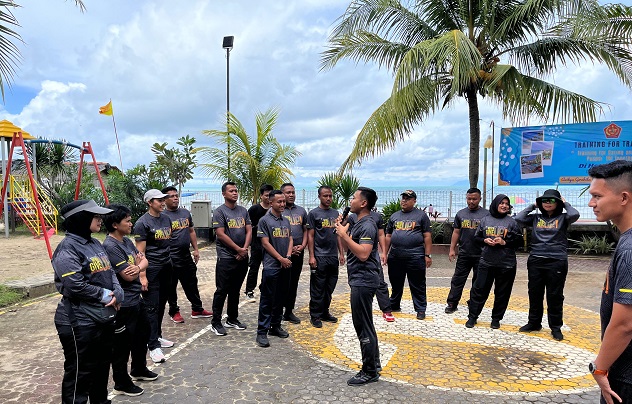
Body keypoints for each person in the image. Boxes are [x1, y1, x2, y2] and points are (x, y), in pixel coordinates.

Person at [52, 199, 123, 404]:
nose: (100, 219)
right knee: (80, 371)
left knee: (102, 366)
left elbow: (110, 271)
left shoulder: (94, 243)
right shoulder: (67, 248)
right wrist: (107, 296)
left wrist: (118, 292)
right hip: (78, 320)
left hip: (102, 317)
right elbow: (74, 284)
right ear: (80, 218)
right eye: (95, 216)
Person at [587, 160, 632, 404]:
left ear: (623, 198)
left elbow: (625, 322)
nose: (591, 203)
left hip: (625, 377)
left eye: (596, 196)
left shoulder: (630, 250)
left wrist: (600, 368)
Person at [103, 204, 157, 397]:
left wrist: (139, 266)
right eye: (127, 220)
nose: (130, 223)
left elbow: (144, 260)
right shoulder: (110, 246)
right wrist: (138, 266)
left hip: (137, 299)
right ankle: (121, 382)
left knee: (143, 335)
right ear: (116, 224)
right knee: (121, 345)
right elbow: (127, 275)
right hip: (123, 304)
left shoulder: (126, 241)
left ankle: (139, 369)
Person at [515, 189, 580, 341]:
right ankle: (534, 323)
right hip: (536, 260)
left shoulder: (564, 217)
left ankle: (556, 327)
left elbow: (574, 214)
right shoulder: (535, 218)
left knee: (555, 296)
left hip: (557, 261)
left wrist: (565, 203)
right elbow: (518, 218)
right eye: (544, 200)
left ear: (557, 202)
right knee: (535, 293)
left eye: (551, 200)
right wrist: (532, 205)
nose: (548, 203)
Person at [335, 187, 381, 386]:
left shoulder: (368, 225)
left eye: (354, 198)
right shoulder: (357, 222)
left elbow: (363, 253)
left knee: (362, 325)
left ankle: (369, 371)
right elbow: (349, 248)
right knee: (366, 324)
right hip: (358, 279)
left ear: (363, 203)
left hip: (364, 280)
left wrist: (345, 236)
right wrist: (341, 231)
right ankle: (374, 364)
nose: (350, 201)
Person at [466, 194, 522, 329]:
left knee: (502, 293)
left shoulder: (512, 222)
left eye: (507, 204)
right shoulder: (485, 220)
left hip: (506, 264)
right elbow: (477, 237)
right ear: (495, 204)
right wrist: (485, 240)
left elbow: (519, 242)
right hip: (486, 262)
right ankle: (473, 316)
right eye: (501, 203)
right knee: (479, 290)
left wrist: (505, 242)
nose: (504, 206)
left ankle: (496, 318)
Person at [133, 189, 175, 364]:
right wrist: (142, 275)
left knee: (162, 303)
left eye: (163, 199)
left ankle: (157, 336)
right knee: (151, 307)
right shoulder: (142, 223)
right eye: (159, 200)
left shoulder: (166, 219)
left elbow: (168, 242)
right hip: (151, 269)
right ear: (150, 202)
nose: (163, 202)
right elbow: (140, 252)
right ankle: (152, 346)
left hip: (167, 266)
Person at [162, 186, 212, 323]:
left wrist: (196, 249)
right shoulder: (162, 217)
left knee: (191, 283)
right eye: (171, 196)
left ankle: (197, 309)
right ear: (164, 200)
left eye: (176, 195)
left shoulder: (185, 213)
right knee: (171, 285)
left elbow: (191, 231)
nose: (175, 198)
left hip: (186, 256)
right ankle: (174, 311)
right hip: (171, 257)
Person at [211, 181, 252, 336]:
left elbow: (249, 230)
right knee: (222, 290)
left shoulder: (243, 211)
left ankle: (232, 318)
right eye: (231, 191)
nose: (235, 193)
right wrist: (238, 249)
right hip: (226, 257)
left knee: (235, 289)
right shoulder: (220, 212)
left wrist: (244, 249)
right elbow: (220, 234)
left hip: (242, 257)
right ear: (224, 194)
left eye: (236, 190)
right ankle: (216, 322)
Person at [384, 190, 432, 320]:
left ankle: (420, 309)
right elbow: (388, 236)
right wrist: (384, 253)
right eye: (403, 198)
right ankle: (394, 304)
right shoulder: (394, 216)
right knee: (395, 283)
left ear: (414, 201)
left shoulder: (421, 216)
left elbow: (427, 236)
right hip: (395, 256)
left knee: (417, 284)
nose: (404, 201)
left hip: (415, 256)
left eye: (407, 198)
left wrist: (428, 255)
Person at [256, 190, 293, 348]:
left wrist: (289, 256)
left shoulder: (286, 221)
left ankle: (275, 326)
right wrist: (280, 258)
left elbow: (290, 238)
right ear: (271, 203)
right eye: (279, 202)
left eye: (284, 201)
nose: (283, 204)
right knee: (267, 299)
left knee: (280, 297)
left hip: (286, 264)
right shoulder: (264, 221)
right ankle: (262, 332)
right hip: (272, 266)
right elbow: (265, 243)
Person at [445, 188, 488, 314]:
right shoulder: (461, 214)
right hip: (464, 253)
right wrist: (452, 249)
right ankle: (452, 303)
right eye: (469, 199)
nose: (471, 201)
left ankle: (473, 303)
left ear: (479, 199)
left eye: (474, 199)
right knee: (458, 279)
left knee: (478, 281)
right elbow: (456, 232)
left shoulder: (486, 214)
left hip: (481, 254)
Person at [347, 209, 395, 322]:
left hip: (372, 256)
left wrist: (383, 252)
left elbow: (381, 234)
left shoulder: (377, 217)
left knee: (380, 281)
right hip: (357, 256)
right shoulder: (352, 217)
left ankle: (386, 310)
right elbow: (349, 237)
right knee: (358, 284)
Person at [306, 186, 344, 328]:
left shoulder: (335, 214)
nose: (328, 199)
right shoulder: (313, 214)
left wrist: (341, 253)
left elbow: (338, 234)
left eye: (330, 196)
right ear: (319, 197)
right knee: (317, 287)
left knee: (330, 286)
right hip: (319, 256)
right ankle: (315, 315)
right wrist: (312, 256)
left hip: (332, 256)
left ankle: (325, 312)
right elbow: (310, 236)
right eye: (325, 196)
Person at [281, 183, 308, 324]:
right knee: (282, 283)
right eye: (288, 192)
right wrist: (288, 250)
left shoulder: (302, 211)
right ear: (282, 194)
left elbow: (305, 231)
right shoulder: (278, 211)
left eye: (293, 192)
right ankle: (278, 310)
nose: (291, 195)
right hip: (283, 254)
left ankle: (289, 311)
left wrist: (303, 246)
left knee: (294, 283)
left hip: (299, 253)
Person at [245, 184, 273, 301]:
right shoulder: (254, 209)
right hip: (257, 243)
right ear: (261, 196)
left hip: (270, 244)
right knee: (254, 267)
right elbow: (248, 227)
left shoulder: (274, 210)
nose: (268, 198)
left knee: (268, 267)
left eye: (270, 195)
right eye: (266, 195)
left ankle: (264, 287)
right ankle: (249, 290)